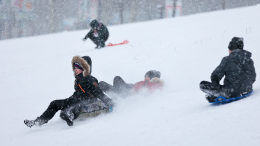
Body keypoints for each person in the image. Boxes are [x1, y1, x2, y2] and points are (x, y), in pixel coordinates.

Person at [24, 56, 113, 127]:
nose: (75, 69)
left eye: (77, 67)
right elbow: (77, 93)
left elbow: (99, 93)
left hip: (87, 100)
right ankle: (39, 121)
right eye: (75, 67)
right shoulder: (78, 79)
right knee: (54, 103)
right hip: (75, 99)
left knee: (77, 105)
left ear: (84, 68)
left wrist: (109, 102)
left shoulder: (90, 79)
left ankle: (69, 115)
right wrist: (70, 99)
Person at [200, 37, 256, 102]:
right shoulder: (249, 60)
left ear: (231, 49)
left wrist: (217, 89)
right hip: (248, 89)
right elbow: (253, 78)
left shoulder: (227, 59)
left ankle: (218, 95)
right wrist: (245, 85)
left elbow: (215, 75)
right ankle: (238, 91)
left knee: (202, 84)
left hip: (230, 93)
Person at [99, 70, 164, 98]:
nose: (146, 78)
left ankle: (116, 98)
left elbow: (146, 92)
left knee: (117, 78)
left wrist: (135, 91)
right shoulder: (145, 83)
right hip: (128, 89)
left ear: (153, 78)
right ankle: (108, 98)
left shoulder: (154, 85)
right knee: (101, 84)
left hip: (129, 92)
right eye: (145, 76)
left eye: (148, 77)